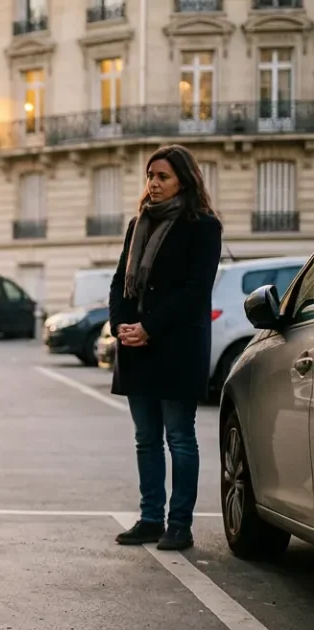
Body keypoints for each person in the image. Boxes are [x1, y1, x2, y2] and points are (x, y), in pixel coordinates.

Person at [109, 144, 222, 551]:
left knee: (179, 437)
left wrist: (150, 327)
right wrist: (120, 324)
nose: (153, 184)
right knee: (145, 438)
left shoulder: (203, 226)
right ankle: (151, 518)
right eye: (150, 176)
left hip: (176, 346)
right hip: (136, 346)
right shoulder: (138, 223)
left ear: (184, 180)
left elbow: (195, 291)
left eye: (162, 177)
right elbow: (120, 279)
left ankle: (179, 524)